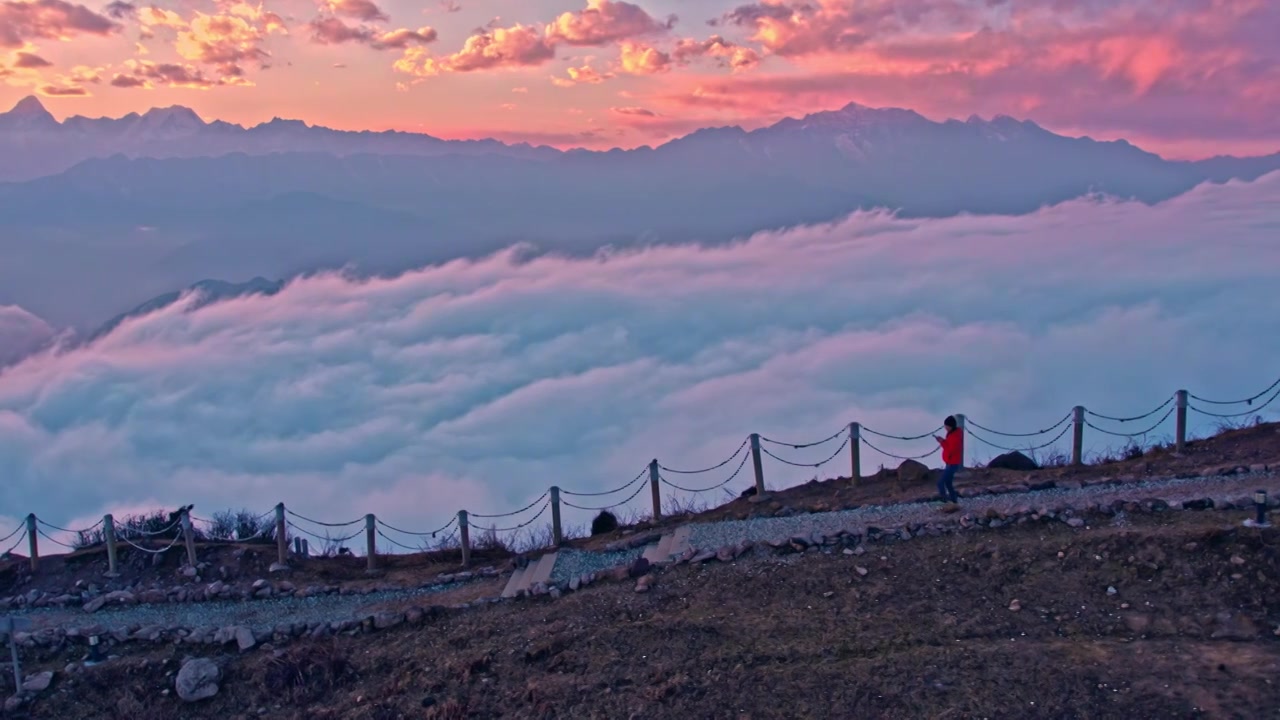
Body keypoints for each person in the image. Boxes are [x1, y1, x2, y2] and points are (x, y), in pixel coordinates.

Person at [933, 416, 963, 505]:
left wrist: (942, 442)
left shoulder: (955, 436)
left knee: (940, 483)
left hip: (952, 463)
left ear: (951, 426)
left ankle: (945, 500)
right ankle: (954, 500)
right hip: (950, 462)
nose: (945, 428)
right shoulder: (952, 434)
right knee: (948, 483)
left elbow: (950, 450)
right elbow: (949, 445)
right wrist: (942, 441)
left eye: (946, 426)